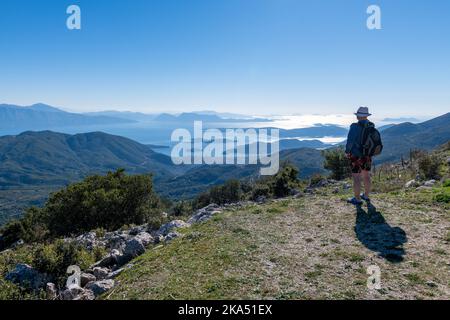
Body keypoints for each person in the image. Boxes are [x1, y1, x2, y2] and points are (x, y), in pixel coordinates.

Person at [345, 106, 375, 206]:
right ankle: (366, 195)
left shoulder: (354, 126)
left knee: (356, 177)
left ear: (358, 116)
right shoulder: (371, 125)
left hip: (356, 155)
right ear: (366, 116)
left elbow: (350, 141)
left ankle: (357, 199)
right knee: (366, 175)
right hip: (367, 155)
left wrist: (347, 151)